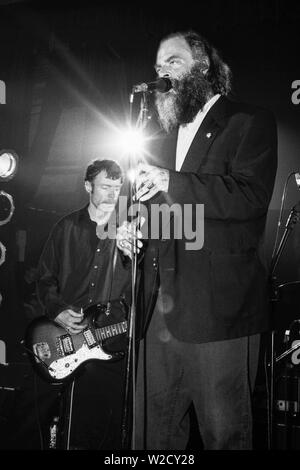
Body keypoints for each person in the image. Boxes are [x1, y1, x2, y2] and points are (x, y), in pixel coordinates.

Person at [134, 30, 278, 450]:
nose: (161, 74)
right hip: (159, 309)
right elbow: (171, 217)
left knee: (224, 435)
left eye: (172, 63)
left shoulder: (248, 121)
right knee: (151, 436)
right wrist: (138, 230)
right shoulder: (161, 139)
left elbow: (250, 197)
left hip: (219, 309)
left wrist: (169, 181)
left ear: (203, 67)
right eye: (158, 67)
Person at [36, 158, 141, 450]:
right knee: (75, 425)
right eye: (105, 187)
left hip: (116, 341)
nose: (111, 194)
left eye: (117, 188)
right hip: (72, 342)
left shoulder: (130, 229)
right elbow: (44, 279)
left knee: (115, 424)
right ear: (87, 186)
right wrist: (57, 311)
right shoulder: (66, 227)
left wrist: (134, 256)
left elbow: (147, 281)